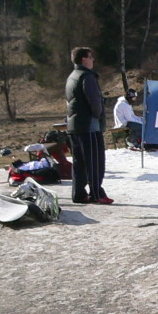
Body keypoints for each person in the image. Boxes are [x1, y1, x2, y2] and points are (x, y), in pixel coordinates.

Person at [64, 47, 112, 204]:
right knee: (94, 162)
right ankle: (96, 193)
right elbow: (94, 100)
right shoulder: (87, 76)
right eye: (90, 57)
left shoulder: (72, 76)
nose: (93, 60)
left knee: (79, 163)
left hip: (74, 126)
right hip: (89, 126)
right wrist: (99, 114)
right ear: (83, 59)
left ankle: (79, 193)